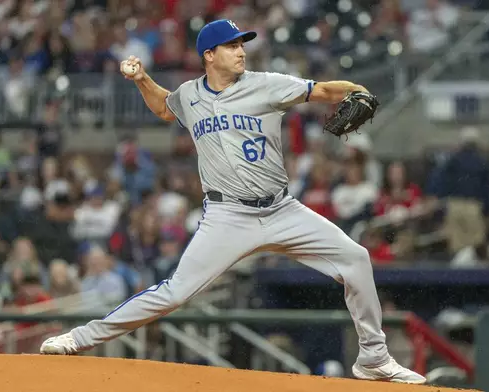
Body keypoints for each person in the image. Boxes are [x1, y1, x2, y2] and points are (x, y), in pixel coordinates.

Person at [39, 19, 425, 384]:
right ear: (209, 54)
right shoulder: (190, 95)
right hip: (228, 215)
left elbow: (323, 90)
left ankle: (373, 358)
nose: (241, 52)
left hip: (282, 208)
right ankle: (79, 338)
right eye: (232, 46)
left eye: (242, 45)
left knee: (356, 258)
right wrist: (142, 79)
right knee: (174, 292)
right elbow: (163, 106)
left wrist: (357, 90)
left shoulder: (267, 84)